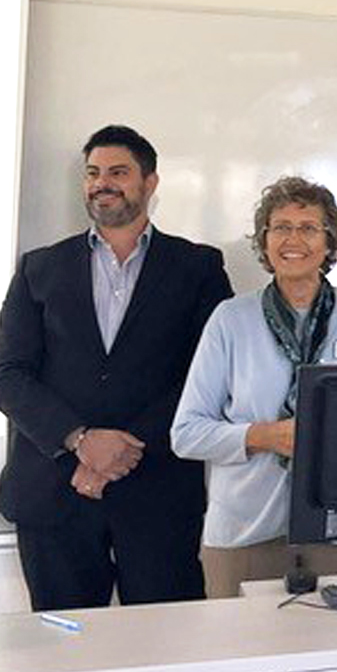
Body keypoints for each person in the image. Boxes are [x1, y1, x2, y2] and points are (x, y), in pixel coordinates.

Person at [0, 125, 232, 610]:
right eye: (93, 173)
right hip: (55, 491)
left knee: (169, 646)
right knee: (65, 650)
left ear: (149, 183)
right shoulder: (39, 268)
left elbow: (211, 376)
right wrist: (81, 442)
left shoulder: (198, 268)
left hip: (159, 494)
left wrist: (118, 454)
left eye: (118, 172)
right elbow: (9, 373)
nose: (102, 183)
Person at [171, 176, 337, 598]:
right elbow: (186, 434)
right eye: (281, 227)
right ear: (265, 240)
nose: (294, 239)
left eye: (309, 227)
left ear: (329, 243)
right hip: (246, 533)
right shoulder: (230, 319)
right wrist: (265, 437)